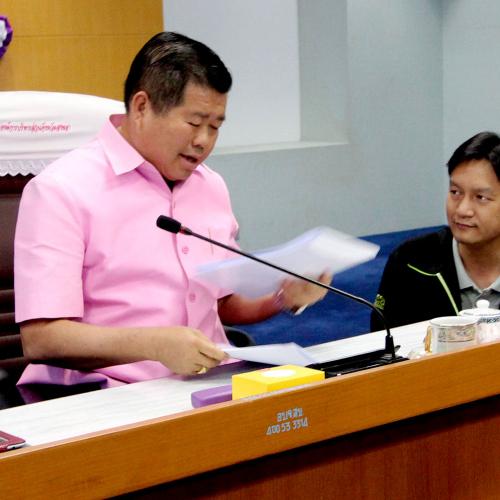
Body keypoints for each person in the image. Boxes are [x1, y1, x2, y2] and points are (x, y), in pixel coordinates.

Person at [14, 32, 329, 388]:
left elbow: (221, 304)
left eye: (215, 127)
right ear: (141, 107)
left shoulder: (210, 186)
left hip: (212, 385)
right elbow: (42, 338)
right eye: (194, 123)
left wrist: (284, 296)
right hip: (109, 394)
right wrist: (152, 345)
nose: (203, 141)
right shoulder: (60, 190)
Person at [371, 131, 500, 331]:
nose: (462, 210)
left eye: (480, 197)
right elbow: (383, 342)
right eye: (455, 192)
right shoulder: (411, 261)